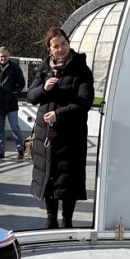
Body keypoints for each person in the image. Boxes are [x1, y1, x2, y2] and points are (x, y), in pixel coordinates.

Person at [27, 27, 95, 228]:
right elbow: (31, 96)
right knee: (48, 176)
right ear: (49, 49)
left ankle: (67, 221)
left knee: (68, 179)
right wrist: (44, 88)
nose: (60, 49)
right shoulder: (44, 68)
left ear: (68, 43)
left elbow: (85, 101)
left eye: (63, 44)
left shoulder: (81, 69)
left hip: (71, 134)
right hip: (46, 134)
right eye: (55, 46)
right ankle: (50, 220)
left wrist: (59, 114)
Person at [0, 46, 26, 159]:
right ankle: (0, 151)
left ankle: (20, 149)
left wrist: (15, 92)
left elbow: (21, 82)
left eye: (5, 56)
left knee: (14, 127)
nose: (3, 58)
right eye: (1, 56)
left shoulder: (15, 67)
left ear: (9, 55)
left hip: (11, 102)